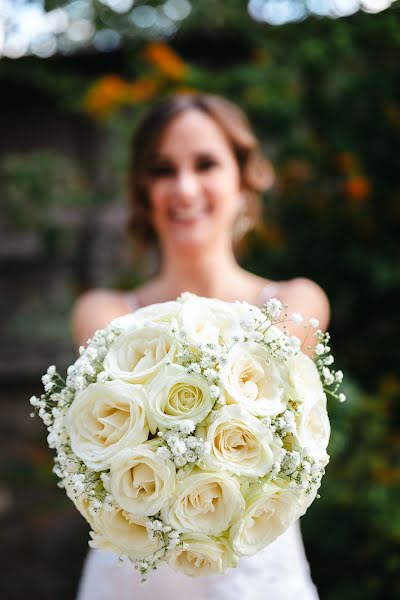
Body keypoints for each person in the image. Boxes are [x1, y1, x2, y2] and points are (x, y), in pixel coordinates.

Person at [72, 93, 329, 599]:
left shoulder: (295, 302)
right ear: (145, 191)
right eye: (164, 170)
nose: (184, 188)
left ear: (244, 177)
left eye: (206, 164)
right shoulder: (103, 312)